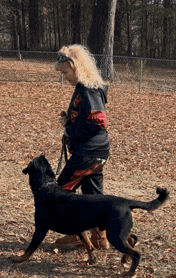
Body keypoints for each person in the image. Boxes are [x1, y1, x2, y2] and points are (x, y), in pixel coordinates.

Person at [54, 44, 110, 250]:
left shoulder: (88, 90)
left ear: (78, 67)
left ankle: (75, 233)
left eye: (66, 72)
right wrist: (70, 120)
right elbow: (87, 118)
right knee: (93, 196)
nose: (64, 77)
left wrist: (71, 132)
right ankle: (100, 238)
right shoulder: (87, 88)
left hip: (88, 153)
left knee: (59, 192)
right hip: (98, 151)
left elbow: (98, 122)